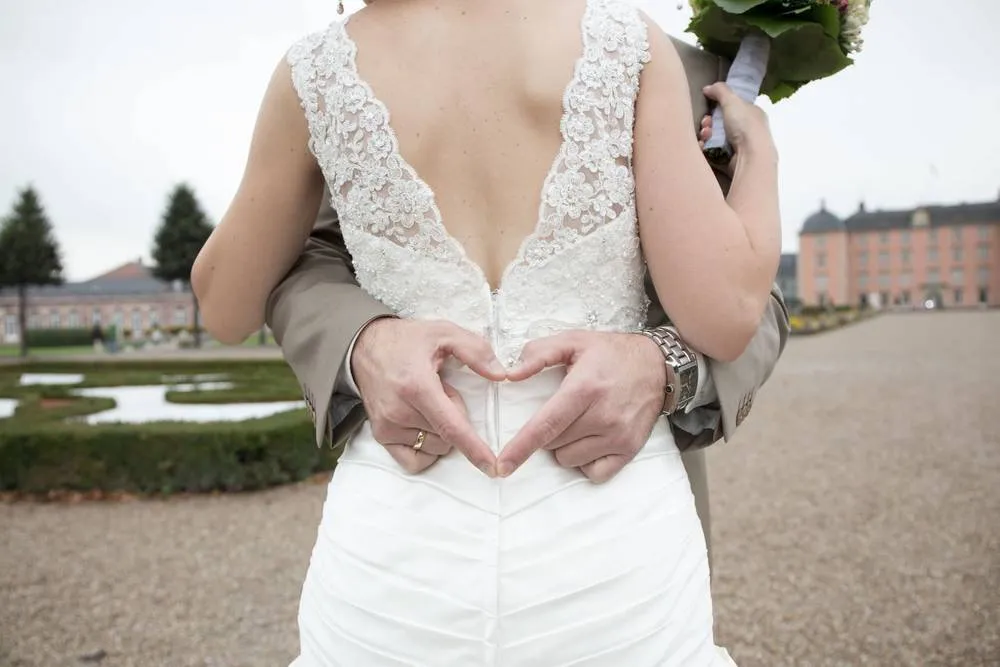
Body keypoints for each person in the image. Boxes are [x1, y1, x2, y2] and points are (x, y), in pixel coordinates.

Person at [192, 0, 784, 663]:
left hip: (396, 555)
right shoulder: (628, 46)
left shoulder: (313, 71)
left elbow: (225, 305)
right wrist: (758, 155)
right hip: (607, 546)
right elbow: (728, 310)